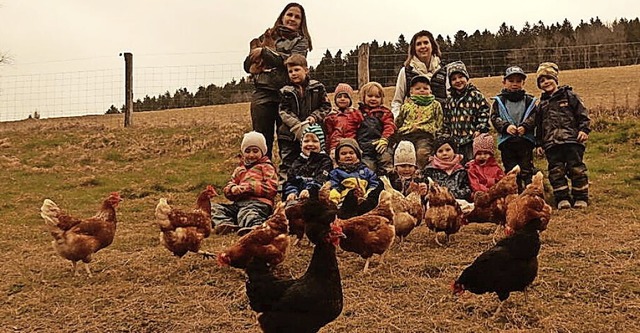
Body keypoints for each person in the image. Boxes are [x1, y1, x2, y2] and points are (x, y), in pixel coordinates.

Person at [244, 3, 312, 159]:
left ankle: (288, 175)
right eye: (290, 15)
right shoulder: (265, 37)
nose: (292, 19)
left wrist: (264, 53)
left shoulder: (301, 42)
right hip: (263, 92)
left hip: (287, 93)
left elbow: (292, 61)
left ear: (302, 22)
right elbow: (248, 66)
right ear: (282, 16)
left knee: (287, 139)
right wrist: (253, 58)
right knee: (261, 139)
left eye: (297, 17)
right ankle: (261, 174)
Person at [535, 62, 591, 209]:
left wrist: (584, 130)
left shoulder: (570, 96)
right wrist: (539, 143)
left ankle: (581, 197)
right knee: (556, 172)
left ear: (555, 79)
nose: (546, 82)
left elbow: (582, 114)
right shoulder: (541, 105)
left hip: (572, 141)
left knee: (577, 169)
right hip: (551, 144)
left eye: (548, 78)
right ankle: (562, 198)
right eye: (542, 80)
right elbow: (539, 126)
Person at [212, 131, 278, 236]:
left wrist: (249, 187)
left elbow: (272, 188)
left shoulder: (266, 167)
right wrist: (232, 189)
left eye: (255, 151)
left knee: (247, 213)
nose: (251, 155)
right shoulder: (240, 169)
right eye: (247, 151)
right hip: (239, 204)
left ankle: (255, 227)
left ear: (263, 152)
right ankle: (226, 224)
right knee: (213, 208)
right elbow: (230, 185)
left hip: (258, 204)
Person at [278, 54, 331, 182]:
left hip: (313, 131)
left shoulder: (317, 87)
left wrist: (314, 116)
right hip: (290, 133)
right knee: (289, 159)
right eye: (290, 71)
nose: (293, 74)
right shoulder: (285, 91)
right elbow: (283, 111)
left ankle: (315, 181)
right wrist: (297, 124)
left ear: (306, 70)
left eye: (297, 70)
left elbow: (326, 106)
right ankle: (287, 185)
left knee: (314, 157)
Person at [490, 66, 538, 190]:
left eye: (518, 81)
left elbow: (534, 116)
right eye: (511, 81)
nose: (515, 84)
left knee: (526, 168)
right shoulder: (499, 101)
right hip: (507, 142)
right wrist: (505, 127)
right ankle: (514, 193)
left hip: (525, 140)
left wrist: (525, 126)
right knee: (511, 169)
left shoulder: (529, 100)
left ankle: (529, 193)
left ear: (523, 83)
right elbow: (494, 117)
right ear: (504, 82)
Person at [442, 61, 491, 164]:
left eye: (460, 77)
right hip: (456, 140)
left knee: (472, 163)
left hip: (471, 138)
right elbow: (447, 119)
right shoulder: (450, 100)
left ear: (466, 78)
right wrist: (446, 135)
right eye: (453, 79)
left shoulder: (475, 95)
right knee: (458, 164)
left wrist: (480, 129)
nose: (458, 81)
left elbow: (484, 113)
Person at [391, 30, 445, 118]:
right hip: (414, 124)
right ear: (414, 49)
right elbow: (397, 102)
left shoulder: (444, 70)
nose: (423, 46)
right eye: (419, 44)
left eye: (426, 42)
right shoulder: (405, 71)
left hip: (440, 123)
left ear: (432, 46)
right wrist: (397, 119)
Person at [395, 75, 444, 169]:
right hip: (407, 134)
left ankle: (421, 173)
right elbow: (399, 121)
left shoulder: (435, 105)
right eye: (418, 88)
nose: (422, 90)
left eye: (425, 88)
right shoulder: (406, 106)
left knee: (422, 153)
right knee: (404, 154)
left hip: (425, 135)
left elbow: (439, 121)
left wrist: (437, 135)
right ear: (411, 91)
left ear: (430, 91)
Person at [282, 124, 333, 202]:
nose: (310, 144)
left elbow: (321, 180)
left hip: (316, 197)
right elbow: (291, 181)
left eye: (315, 141)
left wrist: (309, 190)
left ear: (321, 144)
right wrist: (292, 192)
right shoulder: (297, 162)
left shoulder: (325, 161)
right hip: (298, 197)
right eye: (306, 141)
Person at [356, 81, 396, 176]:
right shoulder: (357, 113)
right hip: (364, 147)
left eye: (377, 96)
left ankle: (390, 181)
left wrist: (385, 139)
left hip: (381, 145)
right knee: (368, 168)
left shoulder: (385, 113)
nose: (373, 99)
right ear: (363, 97)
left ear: (381, 99)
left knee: (386, 160)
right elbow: (352, 129)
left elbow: (389, 126)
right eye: (370, 96)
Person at [328, 138, 380, 206]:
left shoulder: (366, 171)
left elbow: (374, 183)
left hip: (365, 199)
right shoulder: (336, 173)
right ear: (338, 158)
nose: (348, 156)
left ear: (357, 155)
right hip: (344, 202)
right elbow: (334, 186)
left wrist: (369, 194)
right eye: (343, 154)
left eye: (351, 153)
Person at [423, 137, 471, 201]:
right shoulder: (429, 170)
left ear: (454, 151)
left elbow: (467, 190)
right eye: (440, 151)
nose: (444, 153)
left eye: (448, 150)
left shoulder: (461, 171)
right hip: (436, 204)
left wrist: (451, 194)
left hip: (457, 203)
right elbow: (425, 190)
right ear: (435, 154)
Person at [324, 83, 363, 162]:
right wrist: (328, 148)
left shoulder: (355, 114)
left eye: (346, 97)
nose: (342, 99)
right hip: (335, 145)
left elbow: (360, 128)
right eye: (339, 97)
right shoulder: (332, 116)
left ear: (350, 100)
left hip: (351, 144)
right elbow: (329, 133)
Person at [466, 133, 505, 198]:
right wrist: (488, 192)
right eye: (479, 154)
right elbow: (475, 184)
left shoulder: (496, 168)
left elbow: (502, 182)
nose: (482, 156)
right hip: (480, 196)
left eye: (486, 153)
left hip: (495, 195)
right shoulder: (472, 168)